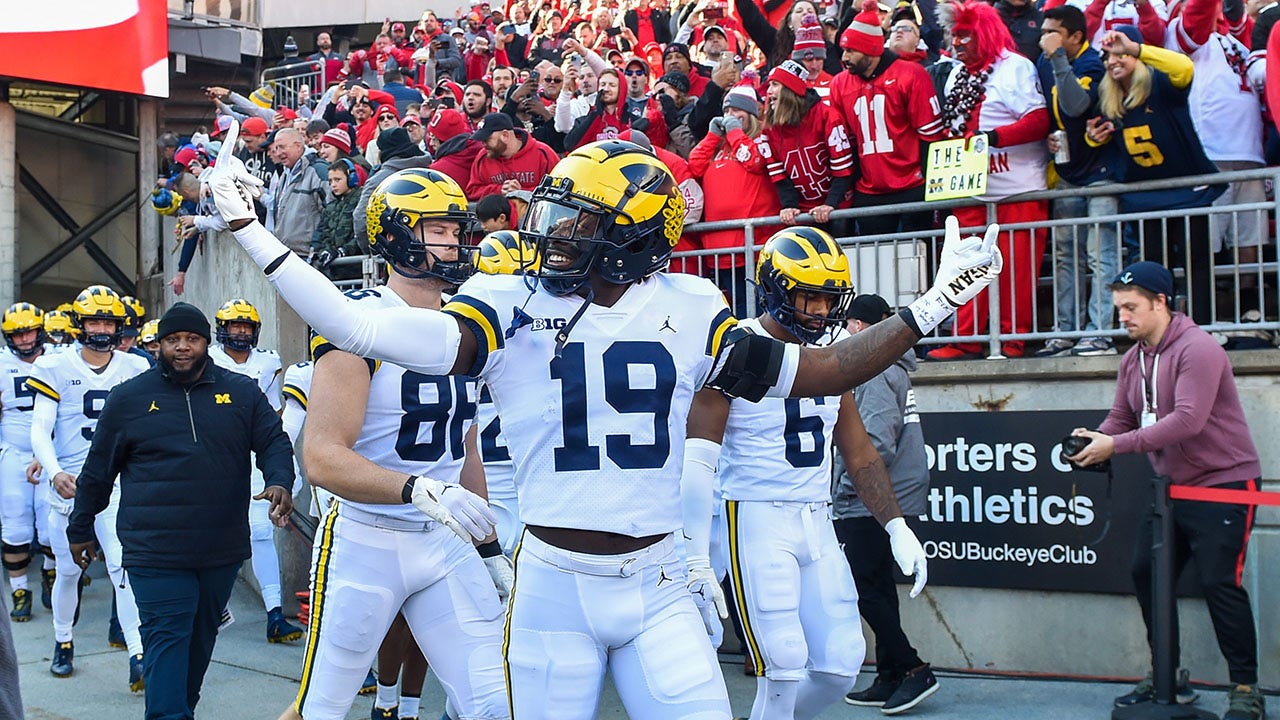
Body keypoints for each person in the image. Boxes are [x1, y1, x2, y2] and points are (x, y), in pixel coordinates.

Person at [205, 118, 1002, 718]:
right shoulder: (507, 300)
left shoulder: (693, 308)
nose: (554, 234)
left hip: (657, 580)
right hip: (553, 580)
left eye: (578, 221)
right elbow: (361, 327)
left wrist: (931, 306)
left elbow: (823, 370)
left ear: (632, 236)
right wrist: (251, 232)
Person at [284, 168, 510, 720]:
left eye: (457, 230)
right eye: (439, 229)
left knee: (496, 705)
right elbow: (322, 458)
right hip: (366, 536)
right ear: (397, 235)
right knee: (321, 709)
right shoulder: (360, 321)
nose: (455, 241)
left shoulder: (467, 324)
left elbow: (465, 446)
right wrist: (418, 490)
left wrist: (489, 546)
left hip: (444, 540)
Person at [685, 229, 927, 720]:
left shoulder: (829, 356)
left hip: (815, 519)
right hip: (753, 516)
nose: (820, 311)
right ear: (774, 289)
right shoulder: (736, 347)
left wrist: (896, 526)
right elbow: (696, 461)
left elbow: (858, 451)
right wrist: (694, 555)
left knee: (841, 665)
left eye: (828, 299)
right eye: (808, 297)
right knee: (783, 666)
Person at [65, 302, 295, 720]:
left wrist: (279, 479)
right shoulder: (129, 398)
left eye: (192, 339)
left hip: (220, 549)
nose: (183, 348)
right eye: (173, 340)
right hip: (154, 551)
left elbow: (274, 441)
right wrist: (80, 526)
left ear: (207, 342)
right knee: (166, 637)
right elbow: (98, 470)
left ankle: (178, 710)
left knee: (200, 640)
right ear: (159, 346)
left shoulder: (241, 392)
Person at [1066, 261, 1265, 720]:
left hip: (1225, 484)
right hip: (1171, 489)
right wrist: (1096, 440)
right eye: (1119, 309)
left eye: (1131, 308)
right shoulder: (1132, 359)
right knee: (1146, 573)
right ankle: (1166, 675)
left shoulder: (1198, 349)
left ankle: (1245, 687)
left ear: (1161, 303)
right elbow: (1122, 419)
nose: (1123, 318)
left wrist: (1117, 444)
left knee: (1221, 583)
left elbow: (1188, 421)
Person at [28, 286, 151, 685]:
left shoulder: (135, 367)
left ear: (119, 326)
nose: (101, 329)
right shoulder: (55, 366)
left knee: (121, 564)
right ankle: (63, 640)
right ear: (80, 325)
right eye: (94, 321)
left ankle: (137, 653)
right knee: (67, 571)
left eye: (108, 321)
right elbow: (40, 429)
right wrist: (53, 470)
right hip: (71, 485)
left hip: (115, 485)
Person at [926, 0, 1050, 360]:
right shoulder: (954, 74)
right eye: (955, 37)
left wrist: (994, 138)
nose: (959, 44)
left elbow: (1038, 121)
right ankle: (966, 338)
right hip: (970, 190)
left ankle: (1012, 339)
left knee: (1016, 270)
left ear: (985, 34)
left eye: (966, 37)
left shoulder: (1015, 68)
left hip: (1017, 188)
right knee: (964, 264)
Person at [835, 293, 939, 714]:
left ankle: (912, 669)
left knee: (866, 587)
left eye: (847, 326)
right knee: (876, 586)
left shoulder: (876, 373)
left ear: (860, 328)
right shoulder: (891, 368)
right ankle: (891, 673)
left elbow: (876, 442)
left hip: (877, 497)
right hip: (891, 493)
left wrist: (844, 484)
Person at [1084, 27, 1224, 326]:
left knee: (1196, 263)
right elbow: (1107, 146)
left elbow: (1184, 66)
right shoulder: (1109, 99)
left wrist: (1137, 48)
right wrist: (1094, 139)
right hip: (1147, 198)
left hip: (1188, 190)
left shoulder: (1161, 85)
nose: (1113, 61)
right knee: (1154, 270)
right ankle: (1161, 329)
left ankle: (1203, 327)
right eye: (1108, 56)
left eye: (1121, 54)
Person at [207, 299, 304, 645]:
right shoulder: (209, 361)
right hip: (215, 458)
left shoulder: (268, 361)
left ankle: (275, 614)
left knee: (261, 532)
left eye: (247, 326)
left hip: (252, 456)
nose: (241, 332)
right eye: (235, 326)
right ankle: (211, 602)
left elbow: (274, 408)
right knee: (218, 533)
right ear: (222, 329)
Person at [1033, 5, 1120, 358]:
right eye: (1043, 32)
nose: (1044, 39)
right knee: (1066, 256)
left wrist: (1057, 59)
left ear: (1075, 37)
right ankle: (1065, 331)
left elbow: (1075, 105)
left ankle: (1099, 332)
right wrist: (1047, 140)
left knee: (1100, 255)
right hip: (1067, 172)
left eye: (1053, 32)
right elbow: (1049, 113)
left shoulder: (1091, 63)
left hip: (1100, 174)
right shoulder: (1045, 61)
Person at [828, 2, 946, 238]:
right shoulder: (840, 84)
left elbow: (930, 137)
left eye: (851, 51)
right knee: (876, 263)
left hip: (913, 185)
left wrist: (928, 186)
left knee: (919, 260)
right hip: (869, 190)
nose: (845, 57)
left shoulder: (911, 74)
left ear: (870, 49)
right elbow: (845, 143)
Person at [687, 85, 781, 316]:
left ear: (750, 114)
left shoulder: (760, 140)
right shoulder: (719, 147)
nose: (731, 116)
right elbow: (695, 165)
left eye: (738, 110)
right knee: (736, 309)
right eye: (727, 110)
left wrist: (735, 134)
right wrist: (712, 136)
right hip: (721, 250)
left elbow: (755, 161)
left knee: (758, 309)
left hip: (752, 247)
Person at [1, 303, 53, 622]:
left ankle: (50, 573)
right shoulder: (2, 363)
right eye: (17, 334)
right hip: (13, 450)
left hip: (50, 450)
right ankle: (19, 589)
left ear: (40, 330)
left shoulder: (58, 359)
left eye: (29, 331)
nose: (24, 339)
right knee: (16, 523)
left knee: (50, 528)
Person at [760, 59, 854, 227]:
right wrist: (789, 205)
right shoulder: (769, 128)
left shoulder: (828, 117)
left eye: (775, 85)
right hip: (803, 213)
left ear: (790, 89)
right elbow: (779, 175)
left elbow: (843, 170)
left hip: (838, 207)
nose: (769, 91)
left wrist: (830, 204)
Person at [466, 112, 560, 198]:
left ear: (505, 135)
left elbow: (559, 190)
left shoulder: (543, 154)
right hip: (497, 214)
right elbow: (472, 191)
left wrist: (521, 193)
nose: (483, 144)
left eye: (486, 139)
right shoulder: (483, 157)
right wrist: (499, 190)